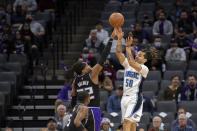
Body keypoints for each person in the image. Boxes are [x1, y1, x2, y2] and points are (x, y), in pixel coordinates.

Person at [71, 28, 116, 131]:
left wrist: (74, 111)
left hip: (80, 111)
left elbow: (73, 101)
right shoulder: (92, 74)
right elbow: (103, 56)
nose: (88, 65)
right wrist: (111, 38)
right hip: (93, 110)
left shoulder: (75, 81)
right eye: (86, 65)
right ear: (83, 70)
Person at [115, 28, 156, 131]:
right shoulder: (128, 64)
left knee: (127, 122)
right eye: (137, 54)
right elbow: (119, 54)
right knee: (132, 125)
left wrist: (128, 46)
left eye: (140, 55)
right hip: (124, 97)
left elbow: (132, 62)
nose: (137, 56)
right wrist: (120, 39)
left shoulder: (144, 69)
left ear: (145, 60)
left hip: (135, 98)